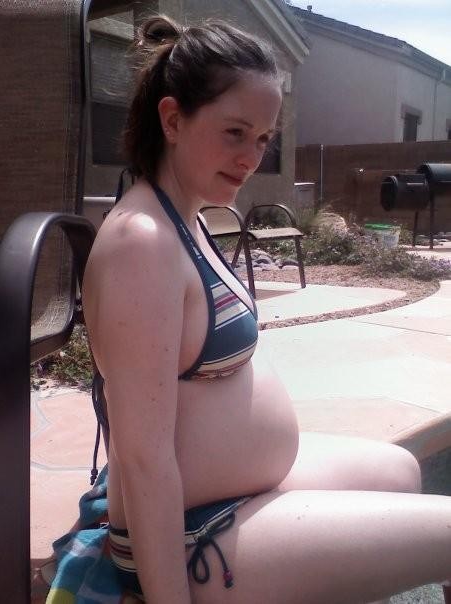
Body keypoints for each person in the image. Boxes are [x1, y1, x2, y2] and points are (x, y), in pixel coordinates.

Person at [81, 14, 451, 604]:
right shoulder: (141, 244)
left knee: (401, 471)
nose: (252, 156)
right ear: (172, 120)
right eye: (235, 132)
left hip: (229, 493)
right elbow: (145, 460)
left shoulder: (187, 217)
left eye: (263, 139)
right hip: (192, 536)